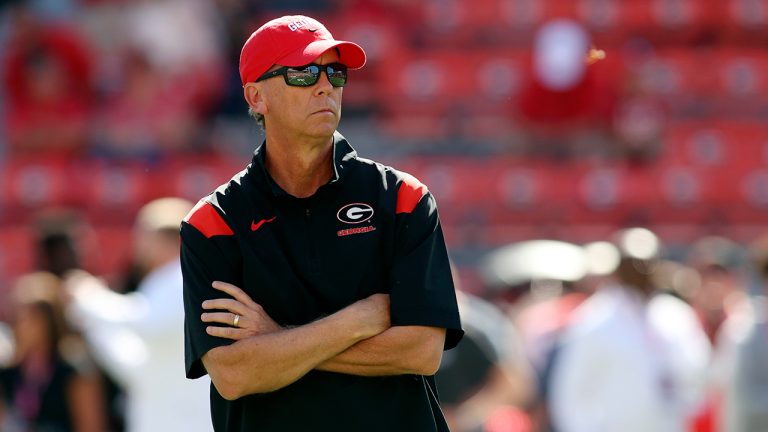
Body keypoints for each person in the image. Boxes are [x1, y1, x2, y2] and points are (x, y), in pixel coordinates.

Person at [180, 14, 463, 432]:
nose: (326, 85)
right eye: (304, 73)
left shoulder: (405, 198)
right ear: (256, 96)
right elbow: (235, 374)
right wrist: (355, 322)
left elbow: (421, 350)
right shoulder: (212, 222)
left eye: (335, 71)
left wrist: (276, 338)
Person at [65, 197, 211, 432]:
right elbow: (137, 364)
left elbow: (145, 320)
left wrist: (88, 296)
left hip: (189, 421)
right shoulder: (163, 282)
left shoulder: (182, 278)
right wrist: (91, 322)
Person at [547, 228, 711, 432]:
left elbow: (699, 373)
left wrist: (683, 402)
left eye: (646, 262)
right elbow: (569, 393)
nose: (640, 270)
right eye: (632, 263)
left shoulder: (675, 316)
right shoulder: (593, 320)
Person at [0, 272, 105, 432]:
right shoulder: (10, 372)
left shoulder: (74, 369)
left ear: (49, 321)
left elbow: (91, 427)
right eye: (16, 316)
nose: (19, 325)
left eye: (28, 317)